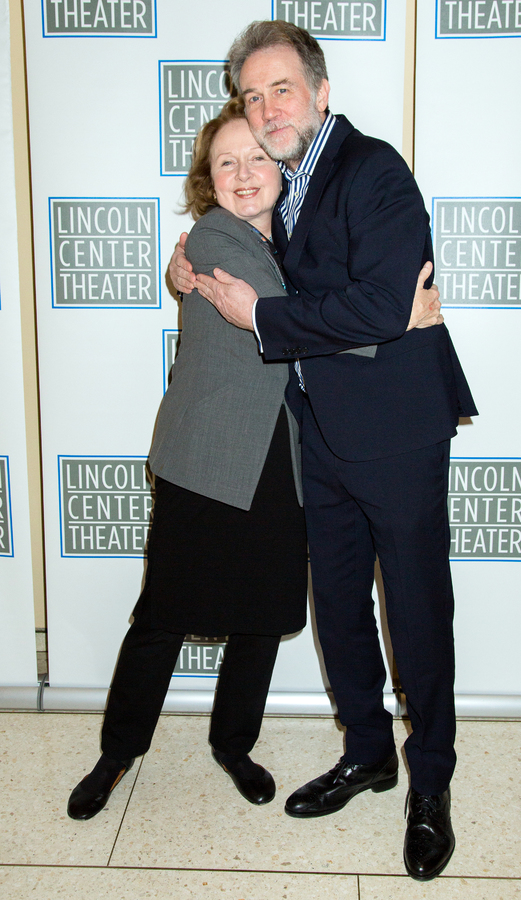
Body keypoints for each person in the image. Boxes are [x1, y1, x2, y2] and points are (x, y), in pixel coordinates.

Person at [169, 20, 477, 882]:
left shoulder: (374, 171)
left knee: (415, 611)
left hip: (397, 432)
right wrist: (185, 264)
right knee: (339, 605)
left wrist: (263, 319)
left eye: (282, 90)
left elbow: (382, 304)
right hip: (321, 437)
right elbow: (237, 246)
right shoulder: (280, 182)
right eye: (253, 96)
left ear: (322, 91)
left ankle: (432, 784)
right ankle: (370, 753)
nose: (267, 110)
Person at [67, 98, 309, 820]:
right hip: (205, 455)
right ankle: (118, 753)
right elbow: (296, 316)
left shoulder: (301, 242)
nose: (243, 174)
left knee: (262, 616)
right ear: (207, 178)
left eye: (257, 158)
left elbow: (307, 310)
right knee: (163, 615)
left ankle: (234, 744)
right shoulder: (209, 237)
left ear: (283, 165)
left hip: (282, 462)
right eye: (225, 162)